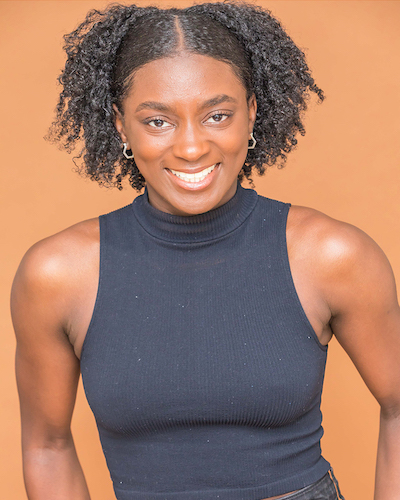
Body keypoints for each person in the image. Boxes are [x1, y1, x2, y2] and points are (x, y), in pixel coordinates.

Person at [10, 1, 400, 499]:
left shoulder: (331, 255)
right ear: (121, 125)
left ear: (251, 111)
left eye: (217, 115)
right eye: (158, 121)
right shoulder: (57, 275)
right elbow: (47, 445)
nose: (192, 148)